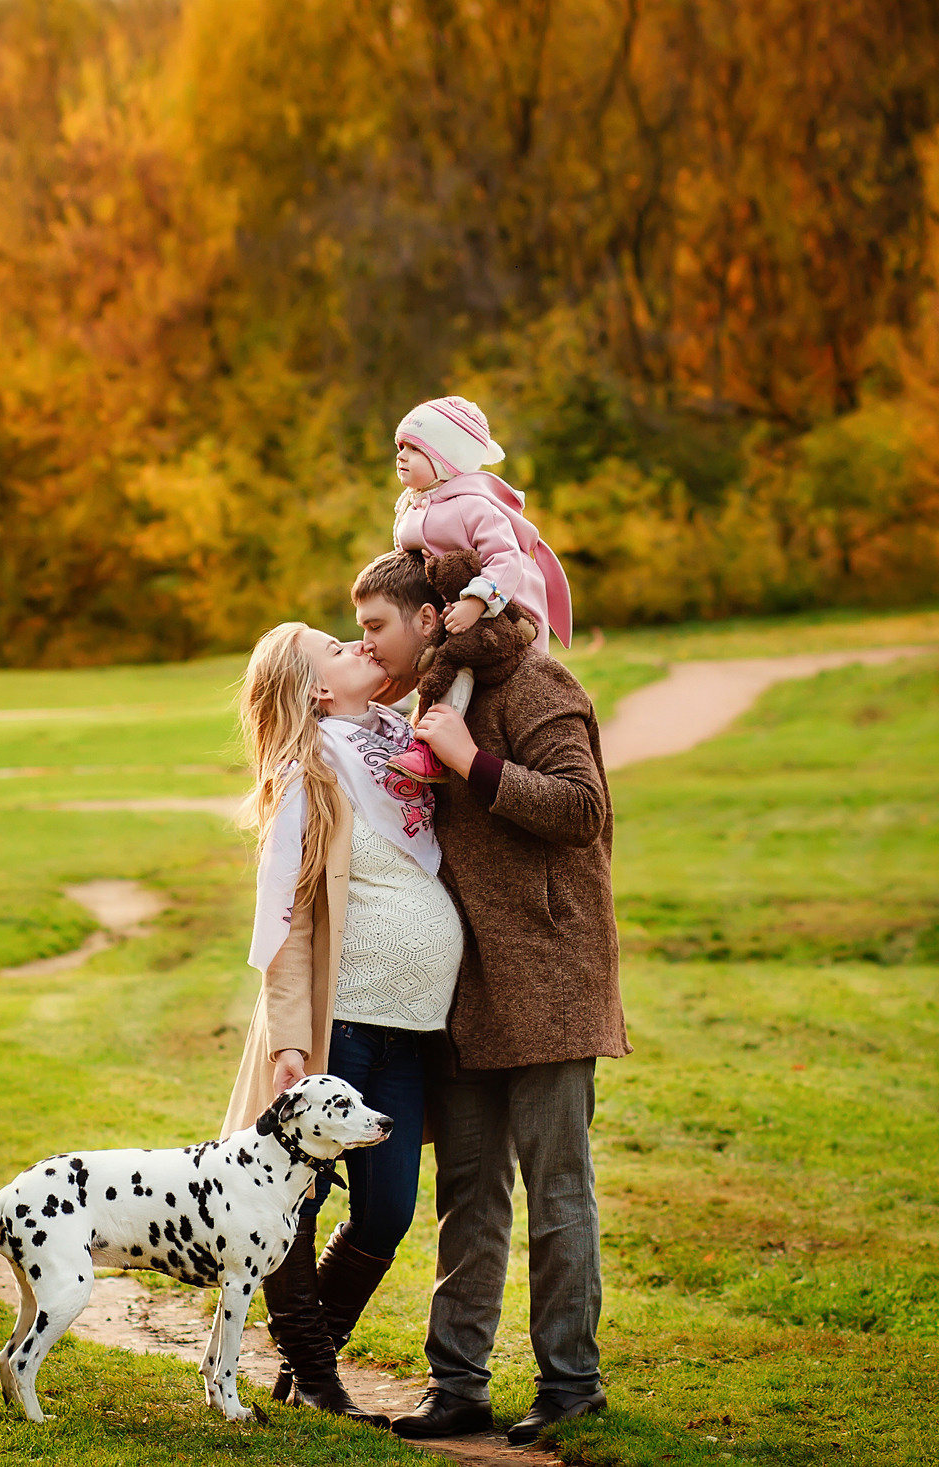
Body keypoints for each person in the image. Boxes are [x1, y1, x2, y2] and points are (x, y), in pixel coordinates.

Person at [351, 549, 630, 1446]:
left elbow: (583, 809)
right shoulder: (431, 702)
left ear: (434, 619)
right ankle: (458, 1385)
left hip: (550, 983)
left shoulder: (538, 684)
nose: (367, 644)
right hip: (464, 992)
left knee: (557, 1191)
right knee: (468, 1195)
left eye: (376, 625)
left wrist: (471, 761)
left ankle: (571, 1385)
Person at [218, 621, 465, 1428]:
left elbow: (432, 655)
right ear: (317, 690)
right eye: (336, 647)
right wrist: (292, 1037)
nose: (358, 646)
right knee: (297, 1197)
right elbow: (286, 919)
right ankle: (320, 1378)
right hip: (342, 1026)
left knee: (388, 1209)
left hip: (409, 1028)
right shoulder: (312, 773)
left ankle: (302, 1364)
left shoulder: (402, 741)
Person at [386, 396, 576, 783]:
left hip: (502, 604)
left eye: (415, 449)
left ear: (447, 459)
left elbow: (505, 558)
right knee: (424, 653)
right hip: (450, 603)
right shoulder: (414, 507)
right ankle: (402, 721)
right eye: (400, 446)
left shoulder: (474, 506)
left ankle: (433, 750)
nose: (401, 456)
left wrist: (475, 602)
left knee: (458, 659)